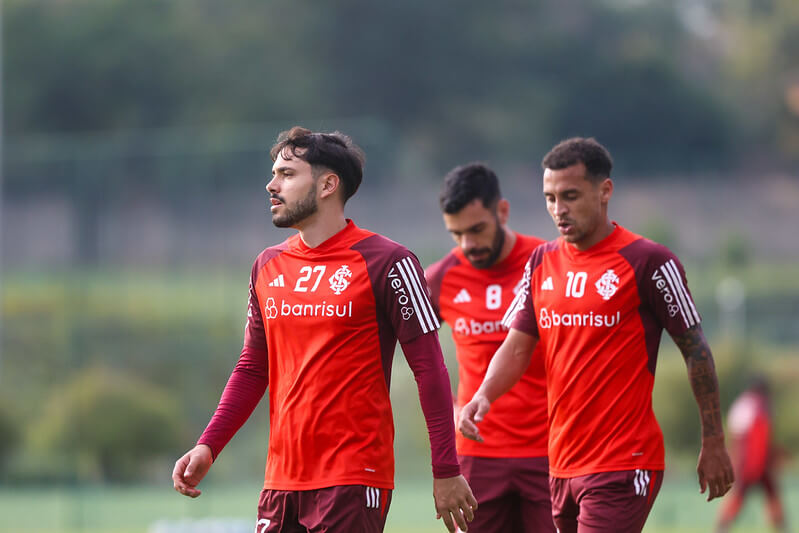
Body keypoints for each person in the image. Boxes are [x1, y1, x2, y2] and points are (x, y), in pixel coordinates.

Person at [172, 126, 477, 533]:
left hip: (353, 478)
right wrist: (209, 445)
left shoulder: (389, 262)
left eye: (287, 174)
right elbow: (252, 368)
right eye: (274, 173)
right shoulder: (267, 265)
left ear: (328, 184)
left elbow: (430, 370)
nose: (271, 184)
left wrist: (445, 469)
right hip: (280, 481)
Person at [459, 137, 735, 532]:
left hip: (623, 462)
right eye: (550, 198)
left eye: (570, 195)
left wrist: (714, 441)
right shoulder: (541, 261)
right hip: (560, 464)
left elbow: (697, 350)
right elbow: (517, 348)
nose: (559, 209)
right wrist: (483, 394)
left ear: (605, 191)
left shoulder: (648, 262)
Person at [425, 163, 554, 532]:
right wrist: (447, 407)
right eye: (457, 234)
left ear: (503, 211)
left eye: (477, 229)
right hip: (477, 456)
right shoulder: (440, 277)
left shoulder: (547, 263)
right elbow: (410, 350)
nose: (468, 244)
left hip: (551, 450)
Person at [716, 376, 788, 533]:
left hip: (750, 459)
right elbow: (757, 439)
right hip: (752, 460)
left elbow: (734, 437)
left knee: (768, 495)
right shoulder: (758, 406)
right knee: (744, 494)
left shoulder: (742, 405)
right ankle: (722, 527)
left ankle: (722, 527)